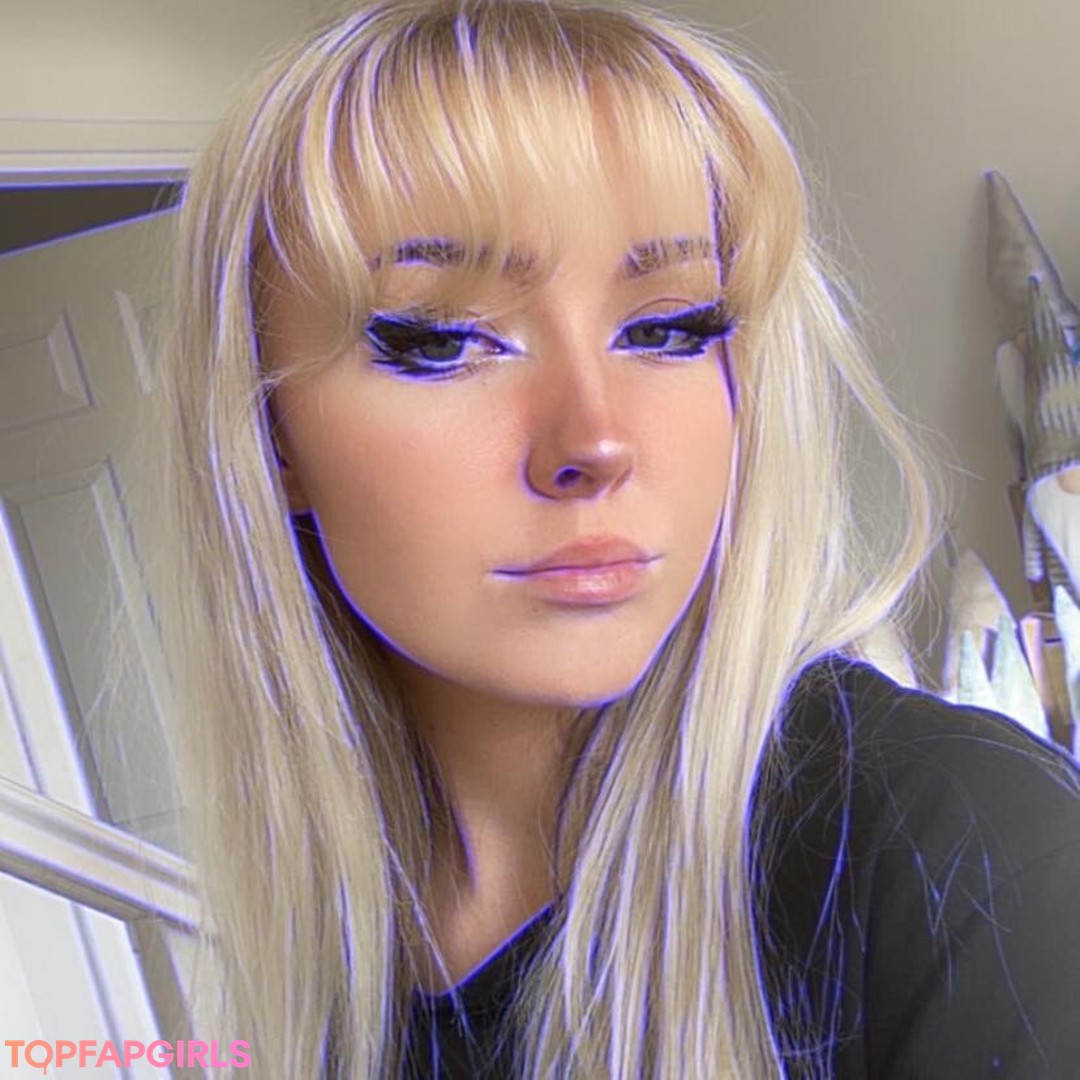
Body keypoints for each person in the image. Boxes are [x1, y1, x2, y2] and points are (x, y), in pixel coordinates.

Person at [141, 0, 1080, 1075]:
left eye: (669, 327)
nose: (594, 440)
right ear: (268, 434)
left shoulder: (967, 854)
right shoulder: (335, 942)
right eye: (442, 342)